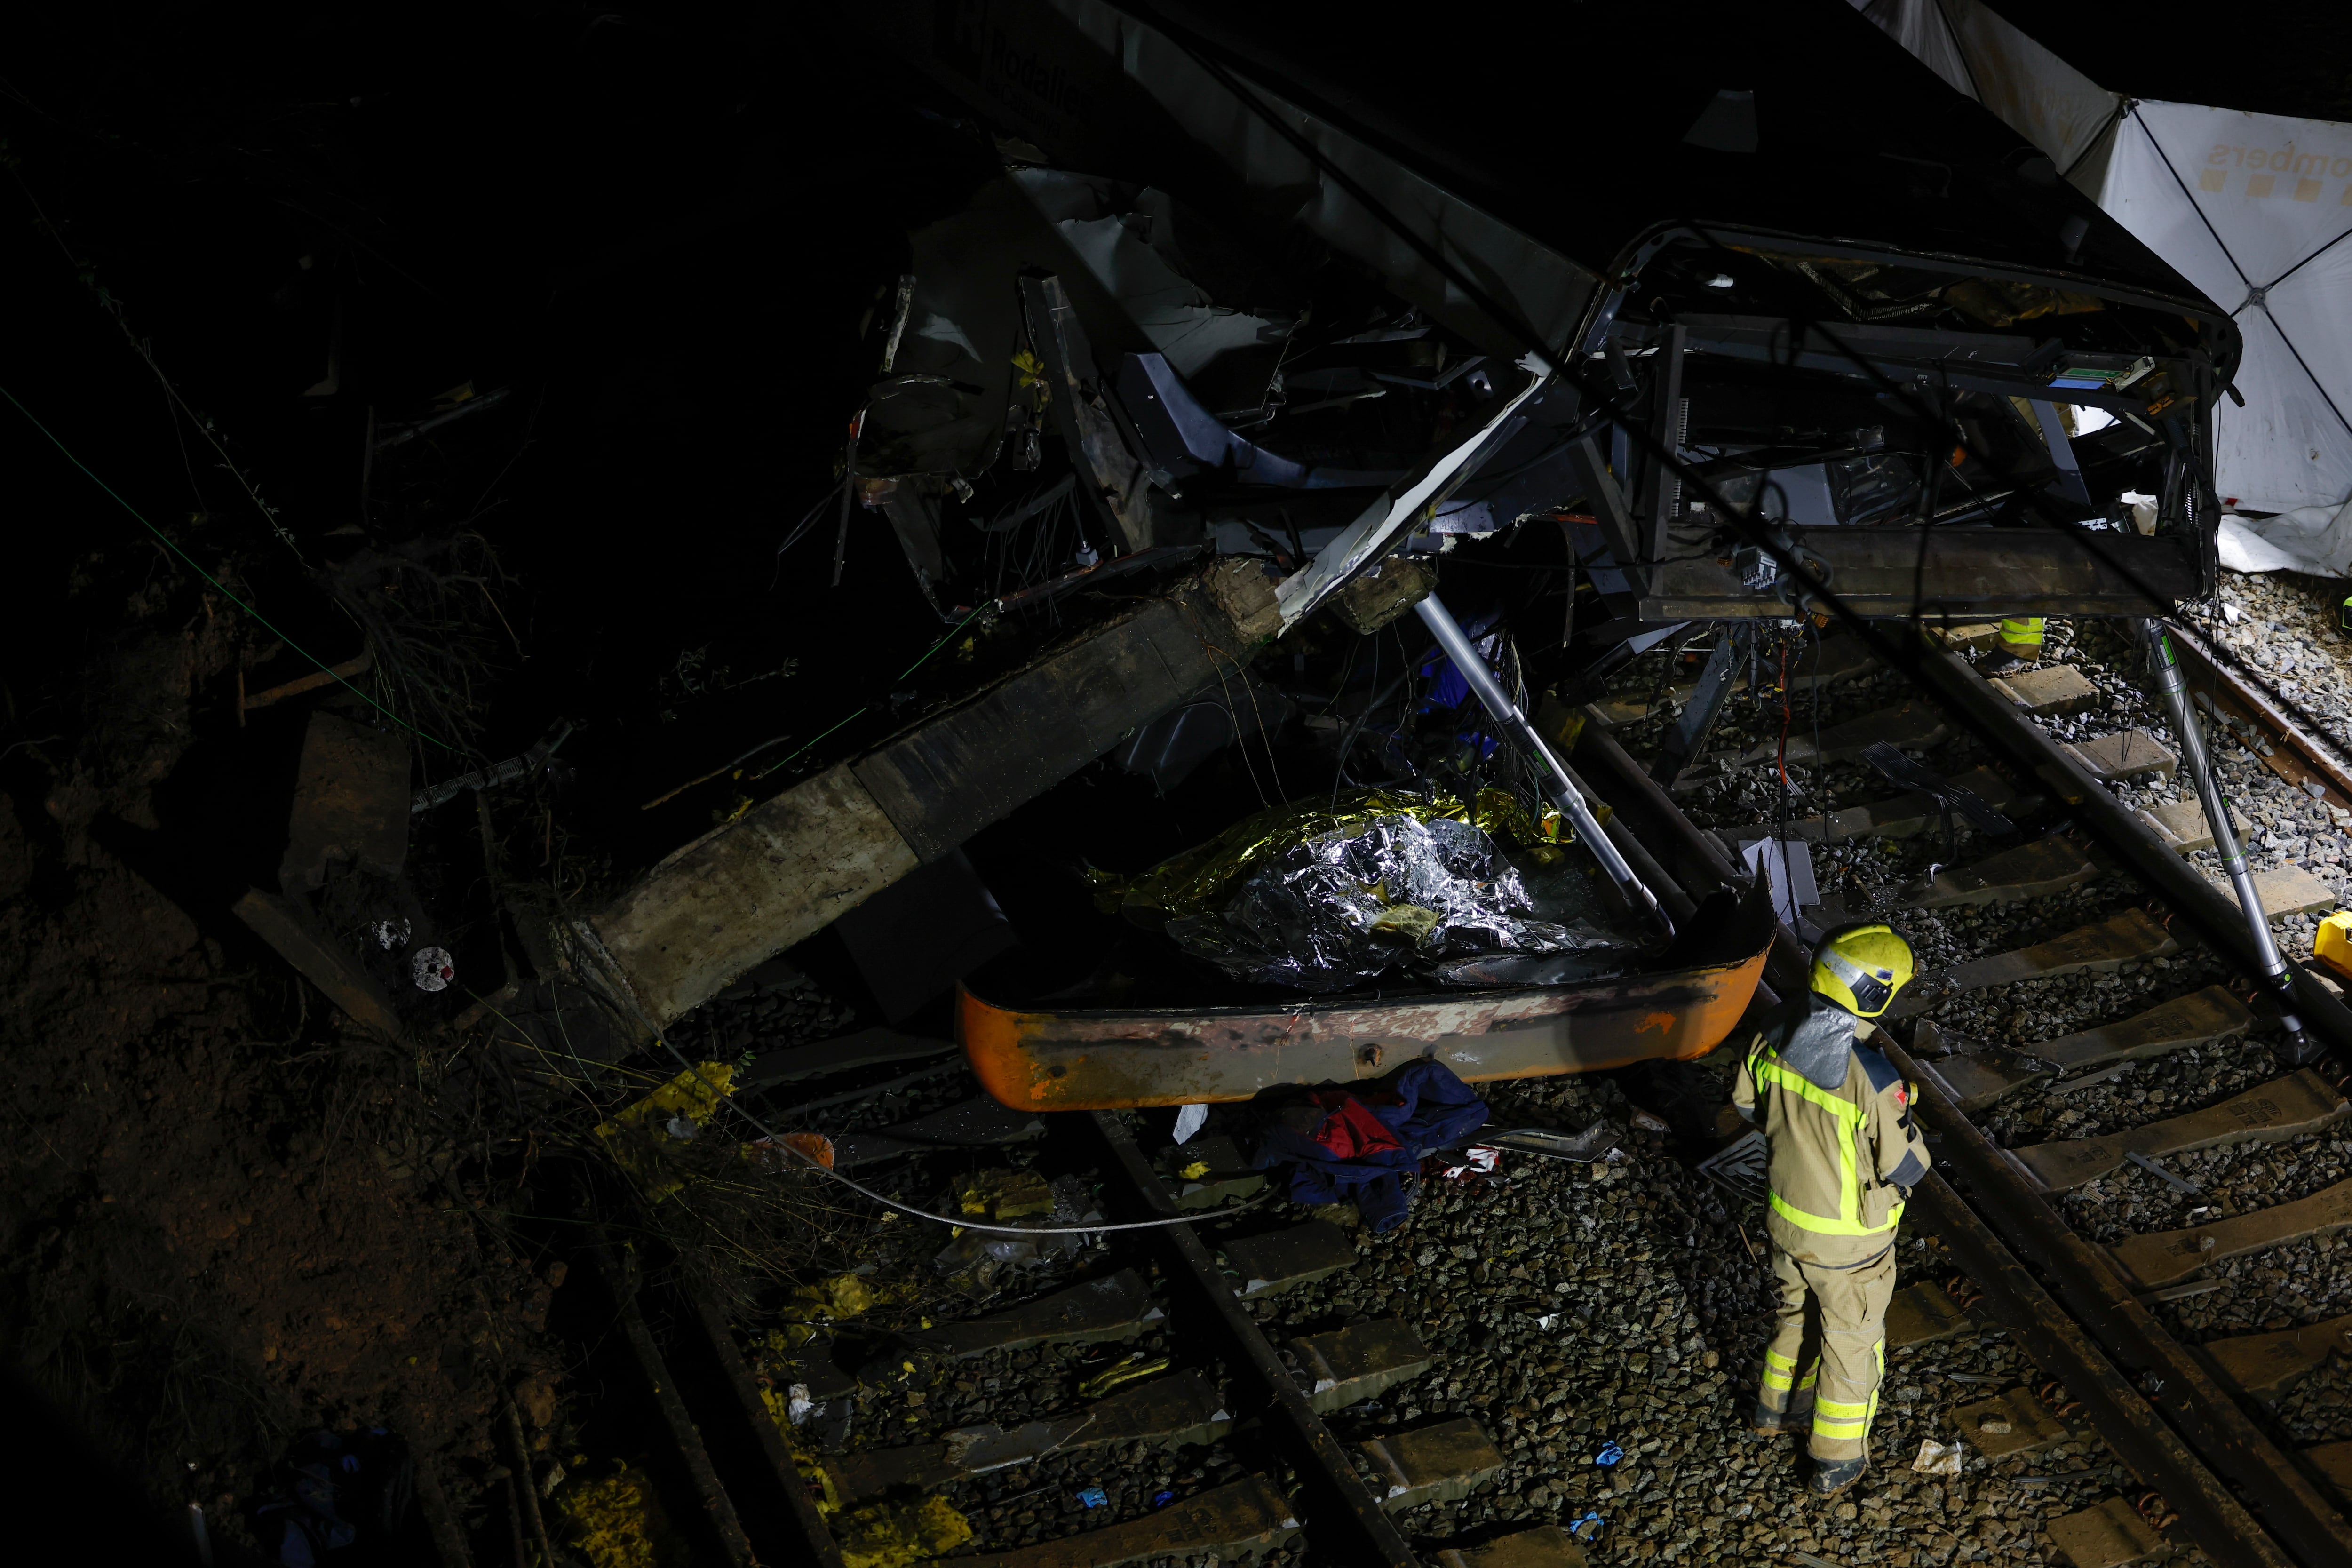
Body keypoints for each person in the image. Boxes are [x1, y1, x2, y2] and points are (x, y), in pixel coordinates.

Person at [1731, 923, 1931, 1498]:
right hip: (1849, 1246)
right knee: (1850, 1345)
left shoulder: (1772, 1031)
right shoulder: (1871, 1077)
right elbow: (1906, 1168)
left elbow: (1747, 1105)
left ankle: (1776, 1411)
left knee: (1794, 1317)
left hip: (1785, 1221)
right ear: (1876, 995)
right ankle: (1834, 1459)